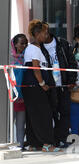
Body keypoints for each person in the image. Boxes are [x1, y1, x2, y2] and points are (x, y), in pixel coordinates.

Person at [22, 20, 61, 152]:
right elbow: (36, 68)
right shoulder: (33, 48)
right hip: (35, 87)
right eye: (45, 33)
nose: (46, 35)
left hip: (33, 87)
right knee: (43, 114)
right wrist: (42, 83)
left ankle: (34, 143)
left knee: (33, 115)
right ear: (37, 33)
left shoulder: (37, 48)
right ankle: (47, 144)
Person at [41, 23, 78, 148]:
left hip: (64, 84)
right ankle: (53, 138)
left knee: (65, 111)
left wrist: (72, 80)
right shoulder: (38, 46)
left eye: (44, 32)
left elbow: (72, 62)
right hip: (49, 86)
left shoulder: (62, 43)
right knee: (51, 112)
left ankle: (63, 137)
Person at [10, 34, 28, 149]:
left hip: (23, 97)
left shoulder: (27, 58)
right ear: (15, 44)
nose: (24, 45)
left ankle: (20, 146)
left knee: (21, 125)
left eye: (26, 43)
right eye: (22, 43)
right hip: (10, 97)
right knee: (7, 124)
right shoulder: (9, 58)